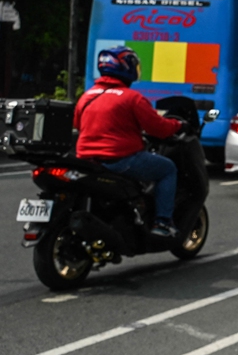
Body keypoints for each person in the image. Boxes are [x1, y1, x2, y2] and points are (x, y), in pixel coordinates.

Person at [74, 47, 185, 237]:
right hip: (119, 160)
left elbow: (77, 123)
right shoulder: (132, 98)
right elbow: (157, 128)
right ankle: (163, 222)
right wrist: (177, 125)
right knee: (167, 169)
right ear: (127, 68)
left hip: (86, 161)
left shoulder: (87, 96)